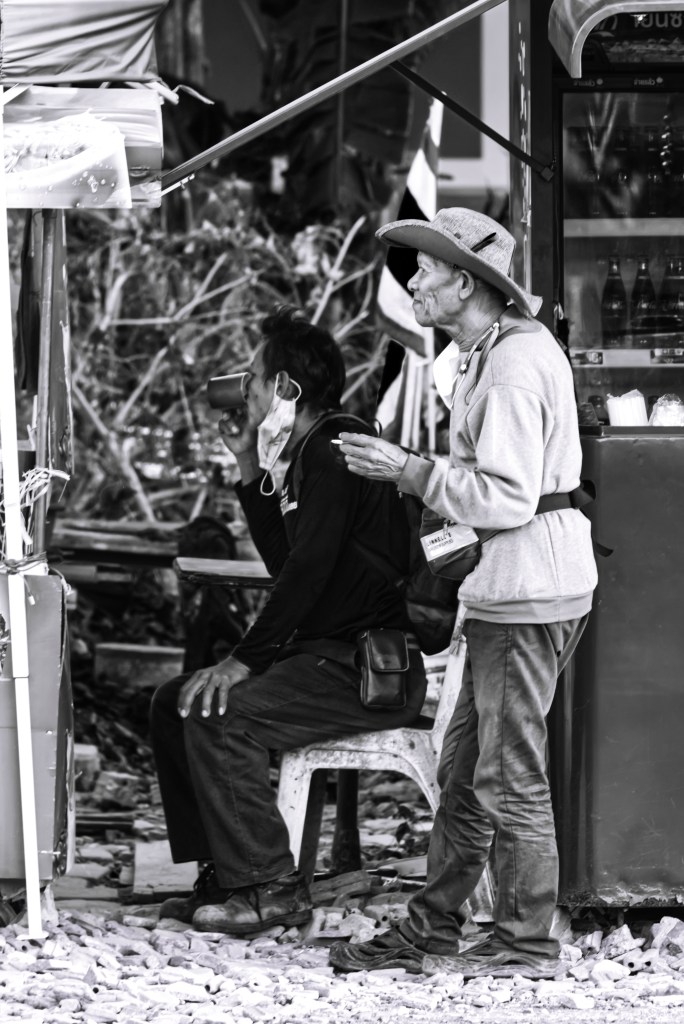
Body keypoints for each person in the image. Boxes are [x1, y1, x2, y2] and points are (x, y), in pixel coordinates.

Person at [328, 208, 598, 979]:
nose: (414, 283)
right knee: (467, 772)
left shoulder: (510, 365)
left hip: (524, 595)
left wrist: (408, 470)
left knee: (507, 774)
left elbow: (507, 497)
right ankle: (434, 926)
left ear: (468, 284)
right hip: (517, 587)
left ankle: (525, 943)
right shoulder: (493, 352)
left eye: (427, 270)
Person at [149, 306, 427, 936]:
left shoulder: (335, 450)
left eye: (252, 376)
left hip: (363, 669)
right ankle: (226, 875)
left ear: (284, 387)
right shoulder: (308, 453)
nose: (244, 387)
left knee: (219, 713)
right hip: (323, 659)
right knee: (175, 703)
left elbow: (305, 573)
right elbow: (288, 562)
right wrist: (249, 465)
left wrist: (243, 661)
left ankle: (271, 887)